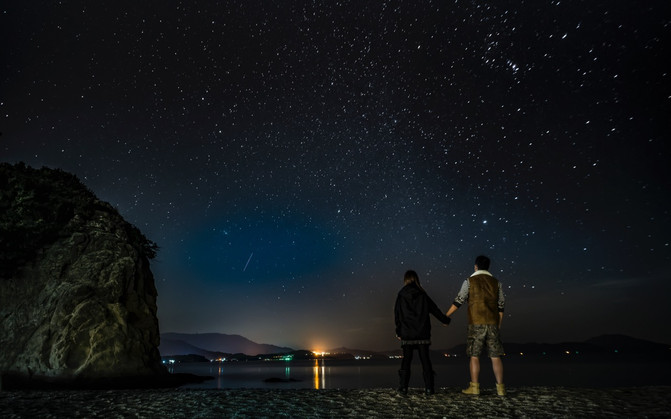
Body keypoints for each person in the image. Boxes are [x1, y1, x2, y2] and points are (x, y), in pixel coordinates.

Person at [446, 255, 506, 396]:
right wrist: (498, 325)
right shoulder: (497, 283)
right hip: (492, 323)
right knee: (495, 356)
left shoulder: (469, 281)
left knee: (474, 355)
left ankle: (474, 387)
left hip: (476, 323)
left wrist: (446, 315)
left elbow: (458, 301)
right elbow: (501, 307)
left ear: (475, 266)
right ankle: (501, 389)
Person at [394, 270, 451, 395]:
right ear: (416, 279)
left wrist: (398, 331)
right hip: (422, 333)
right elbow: (434, 309)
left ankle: (403, 388)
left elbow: (397, 315)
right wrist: (445, 320)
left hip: (407, 333)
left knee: (406, 360)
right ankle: (429, 388)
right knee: (425, 360)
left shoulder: (401, 294)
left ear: (406, 279)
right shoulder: (422, 294)